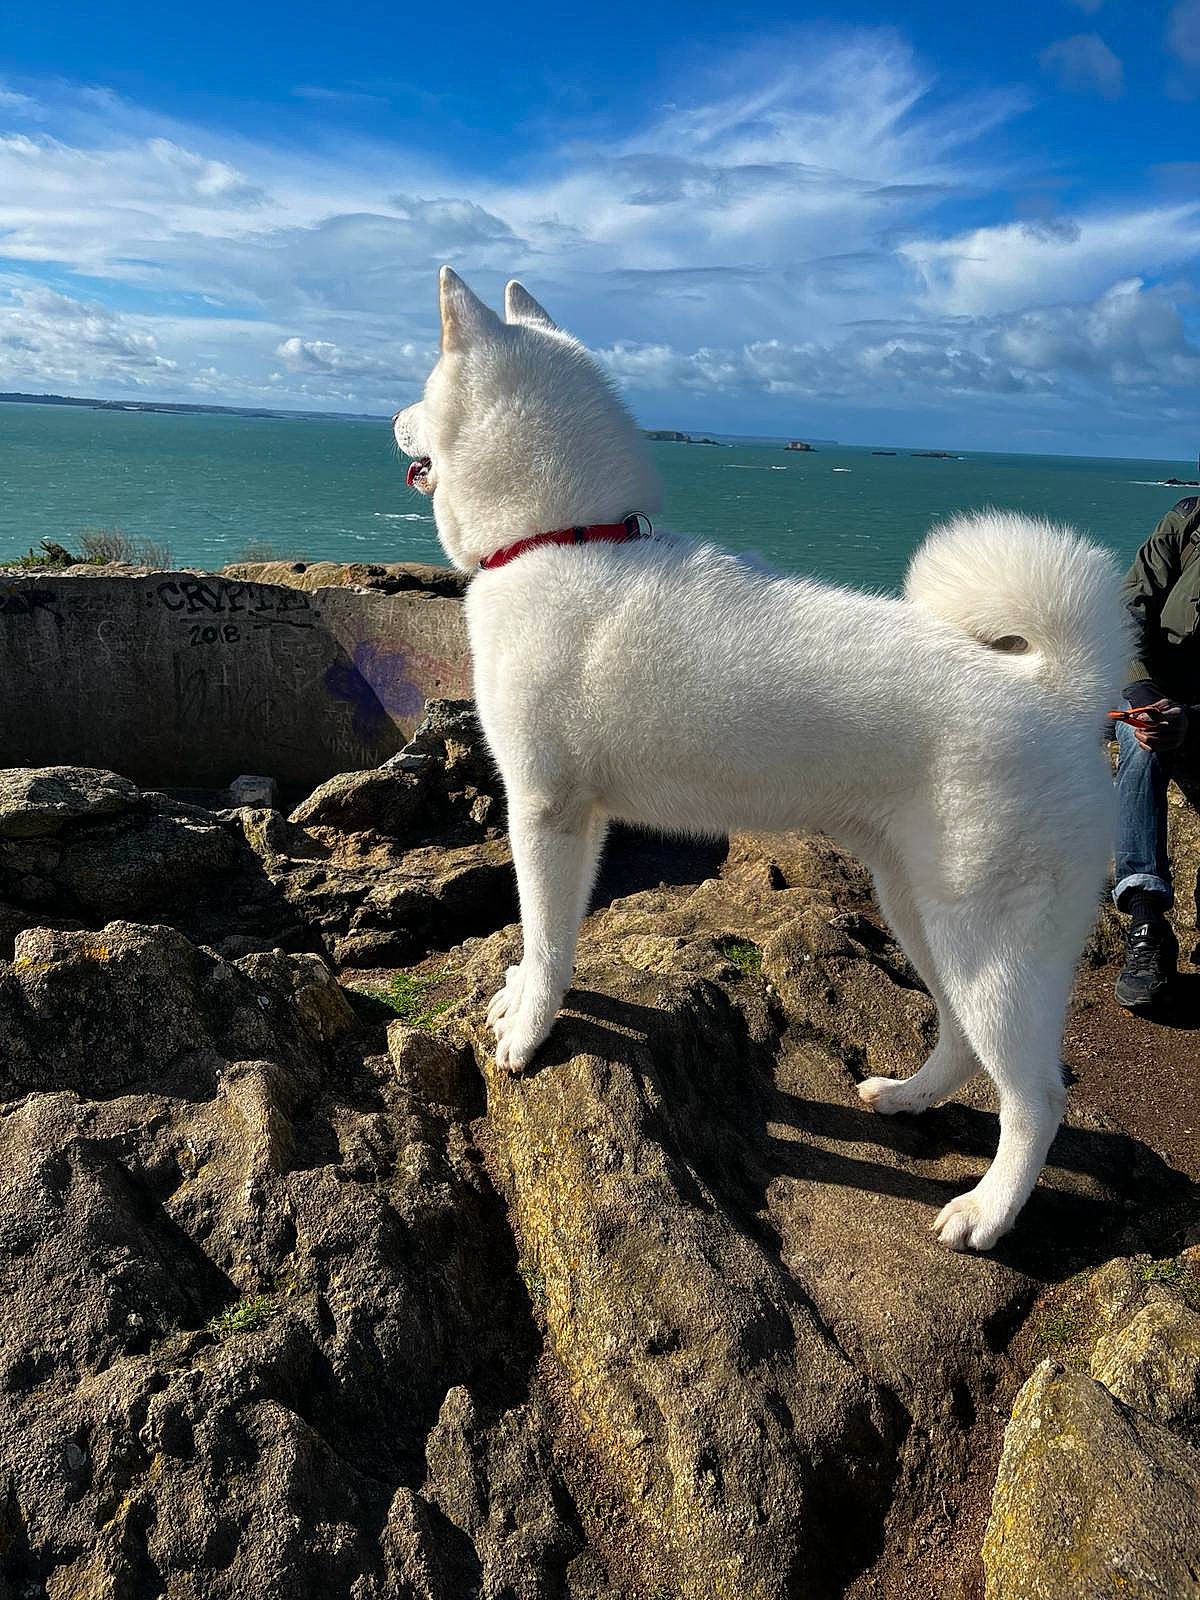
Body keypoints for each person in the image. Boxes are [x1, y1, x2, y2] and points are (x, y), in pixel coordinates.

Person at [1113, 491, 1200, 1009]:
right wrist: (1141, 690)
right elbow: (1127, 609)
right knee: (1142, 742)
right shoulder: (1188, 520)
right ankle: (1147, 923)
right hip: (1154, 690)